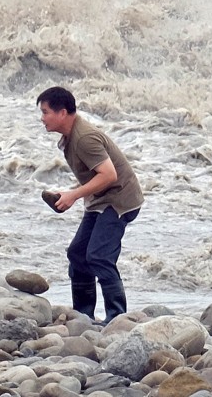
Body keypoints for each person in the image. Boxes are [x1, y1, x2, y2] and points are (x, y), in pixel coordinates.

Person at [36, 86, 143, 323]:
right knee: (77, 254)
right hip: (101, 199)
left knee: (99, 256)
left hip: (120, 199)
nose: (42, 118)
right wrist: (72, 195)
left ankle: (117, 318)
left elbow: (109, 175)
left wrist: (73, 195)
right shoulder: (70, 136)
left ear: (62, 113)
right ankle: (83, 314)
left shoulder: (84, 138)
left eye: (45, 112)